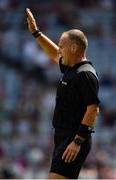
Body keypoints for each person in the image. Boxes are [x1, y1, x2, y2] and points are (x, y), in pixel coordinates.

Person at [26, 8, 100, 179]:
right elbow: (54, 55)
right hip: (63, 138)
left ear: (74, 48)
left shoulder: (85, 74)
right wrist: (37, 33)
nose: (59, 50)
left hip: (73, 139)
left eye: (62, 46)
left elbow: (93, 110)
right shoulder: (72, 68)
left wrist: (77, 141)